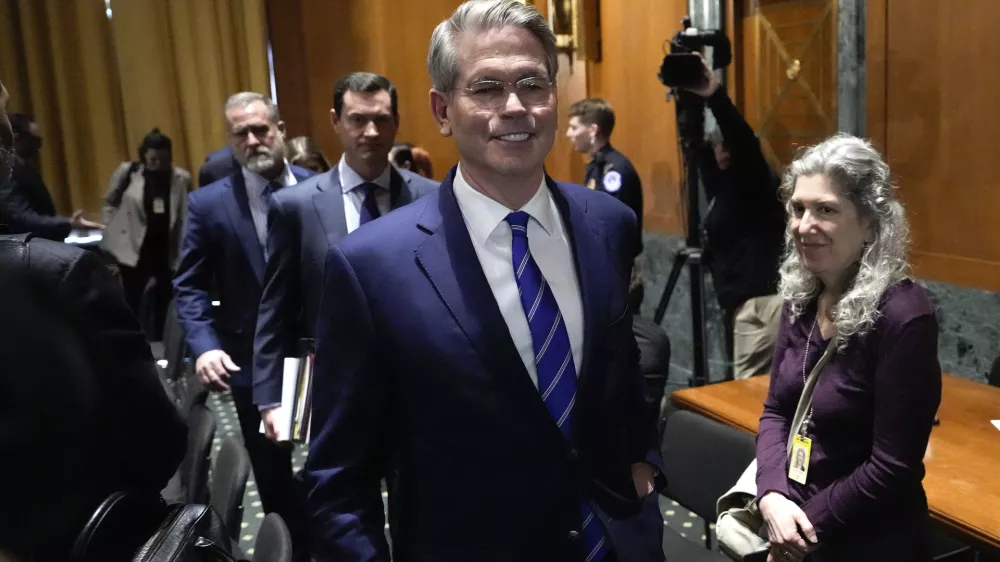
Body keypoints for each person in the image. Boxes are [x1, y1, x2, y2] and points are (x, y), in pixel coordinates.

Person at [303, 2, 665, 560]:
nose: (514, 106)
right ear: (443, 110)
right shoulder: (371, 266)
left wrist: (645, 463)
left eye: (532, 83)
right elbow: (338, 481)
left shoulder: (608, 224)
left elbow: (621, 371)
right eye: (487, 88)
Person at [755, 134, 941, 562]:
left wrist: (800, 531)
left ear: (871, 223)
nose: (804, 225)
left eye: (826, 210)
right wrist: (771, 496)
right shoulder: (802, 296)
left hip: (867, 542)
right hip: (793, 524)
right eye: (798, 209)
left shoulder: (904, 316)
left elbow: (892, 468)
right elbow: (776, 411)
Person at [254, 72, 437, 436]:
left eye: (381, 119)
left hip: (416, 386)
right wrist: (271, 397)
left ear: (396, 123)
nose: (370, 131)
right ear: (336, 121)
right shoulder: (295, 206)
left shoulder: (432, 198)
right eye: (357, 119)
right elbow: (276, 306)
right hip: (332, 387)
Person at [173, 92, 314, 556]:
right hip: (254, 364)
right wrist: (204, 344)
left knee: (337, 467)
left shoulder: (321, 189)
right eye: (241, 134)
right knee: (272, 477)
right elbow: (189, 286)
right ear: (231, 141)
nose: (254, 140)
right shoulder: (208, 204)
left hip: (323, 357)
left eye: (261, 129)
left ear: (281, 129)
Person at [684, 56, 786, 380]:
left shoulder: (755, 183)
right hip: (745, 305)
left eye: (728, 145)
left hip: (764, 305)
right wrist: (691, 100)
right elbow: (696, 150)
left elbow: (743, 141)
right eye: (718, 145)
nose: (723, 150)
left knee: (751, 397)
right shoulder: (722, 186)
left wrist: (715, 95)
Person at [101, 128, 192, 337]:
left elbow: (186, 212)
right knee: (131, 297)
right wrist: (110, 227)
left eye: (162, 158)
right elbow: (109, 201)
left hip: (165, 248)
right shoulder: (128, 172)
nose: (157, 164)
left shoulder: (180, 178)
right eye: (153, 159)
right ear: (144, 155)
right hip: (134, 248)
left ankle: (160, 339)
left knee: (165, 297)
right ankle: (131, 338)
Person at [0, 113, 104, 240]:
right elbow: (19, 216)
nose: (39, 146)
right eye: (35, 140)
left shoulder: (20, 166)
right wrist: (69, 223)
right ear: (16, 138)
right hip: (22, 245)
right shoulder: (7, 168)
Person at [566, 98, 643, 256]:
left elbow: (611, 224)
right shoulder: (598, 165)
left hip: (616, 263)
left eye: (574, 127)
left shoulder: (613, 169)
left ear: (593, 130)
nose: (569, 134)